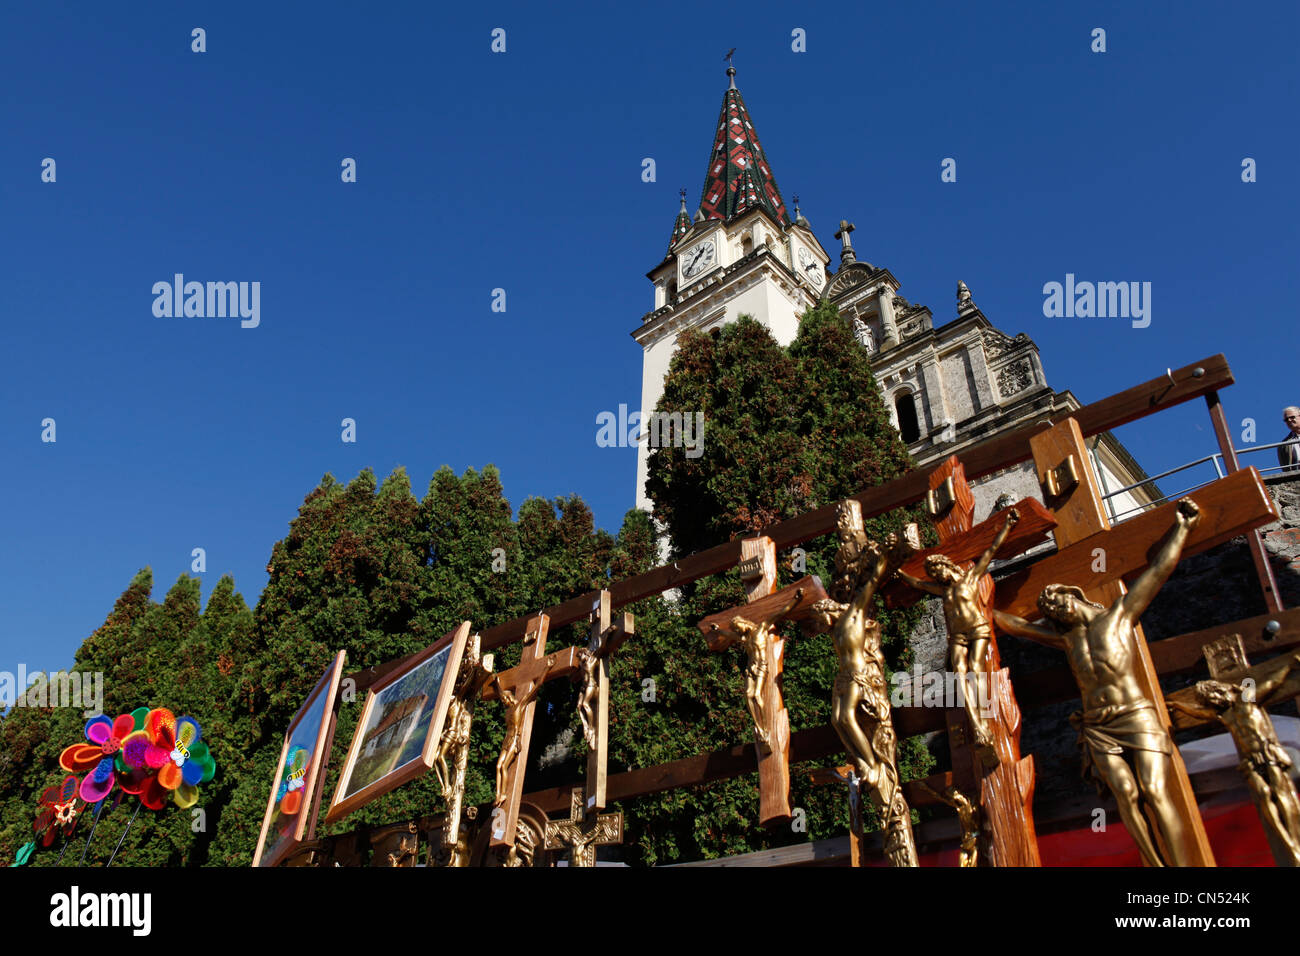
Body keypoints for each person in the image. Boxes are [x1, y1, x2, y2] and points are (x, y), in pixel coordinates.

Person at [1279, 407, 1300, 473]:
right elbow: (1285, 468)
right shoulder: (1284, 445)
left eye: (1292, 417)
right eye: (1286, 419)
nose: (1289, 420)